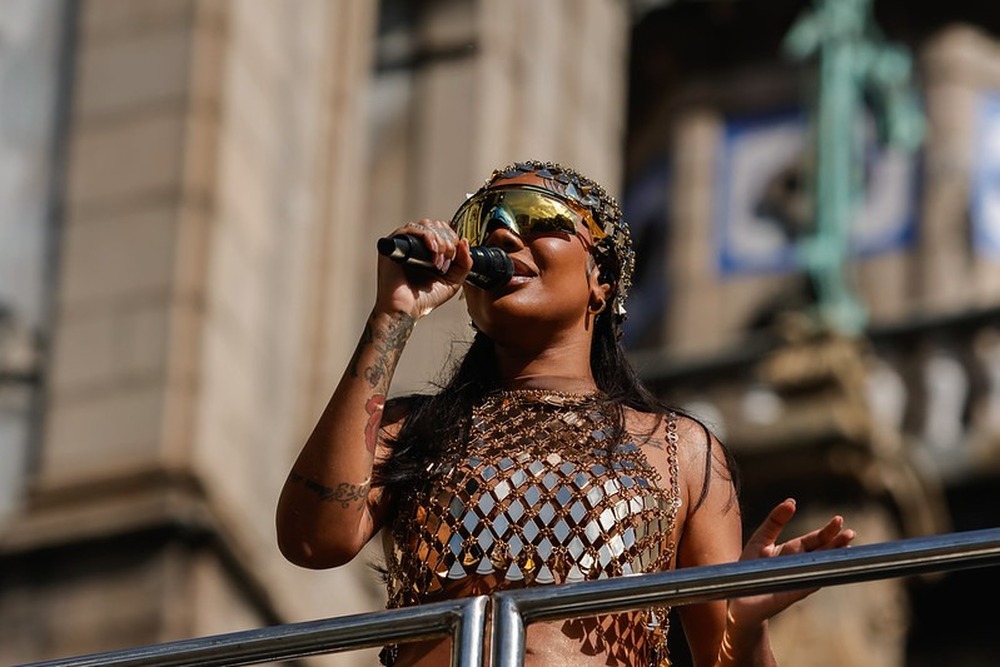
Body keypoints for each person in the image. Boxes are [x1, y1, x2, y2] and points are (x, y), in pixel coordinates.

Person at [275, 159, 855, 667]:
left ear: (600, 278)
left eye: (538, 218)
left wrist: (746, 626)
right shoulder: (410, 427)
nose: (501, 231)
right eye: (483, 220)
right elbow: (312, 541)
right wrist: (391, 317)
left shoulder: (682, 451)